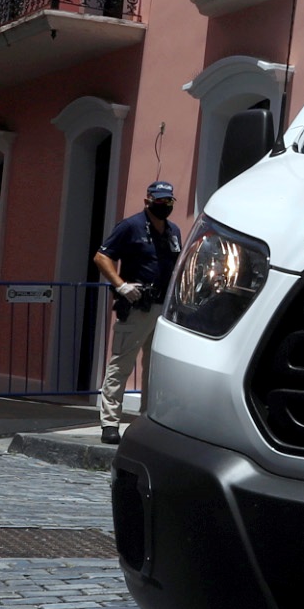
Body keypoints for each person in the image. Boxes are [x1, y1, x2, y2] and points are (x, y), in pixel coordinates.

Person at [92, 179, 182, 444]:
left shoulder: (173, 231)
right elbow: (101, 256)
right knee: (121, 364)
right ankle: (110, 423)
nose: (164, 205)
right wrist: (120, 286)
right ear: (148, 201)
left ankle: (147, 421)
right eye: (160, 201)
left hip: (164, 307)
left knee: (154, 367)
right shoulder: (130, 226)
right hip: (137, 304)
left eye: (168, 201)